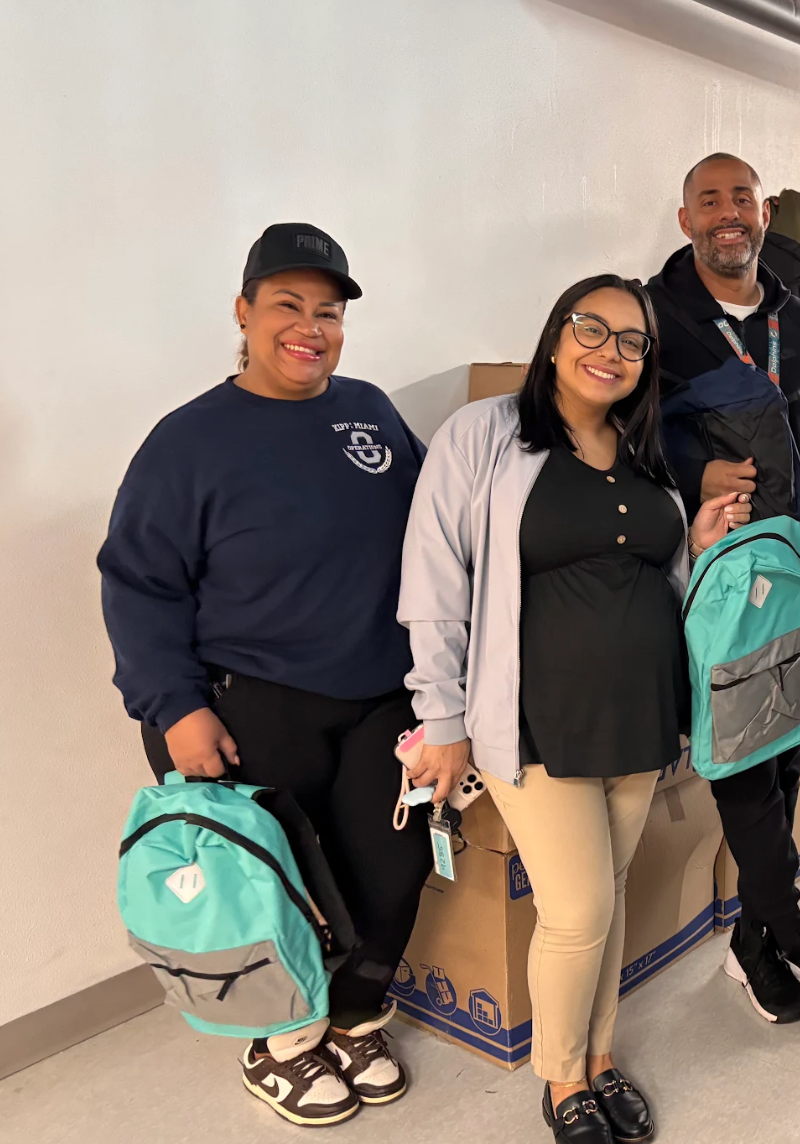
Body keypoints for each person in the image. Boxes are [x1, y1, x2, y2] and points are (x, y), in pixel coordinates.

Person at [399, 274, 749, 1144]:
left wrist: (694, 544)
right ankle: (560, 1083)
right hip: (534, 721)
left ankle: (597, 1059)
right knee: (579, 910)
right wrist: (440, 718)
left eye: (633, 342)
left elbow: (652, 580)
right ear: (556, 336)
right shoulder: (485, 436)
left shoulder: (644, 453)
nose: (611, 351)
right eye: (593, 328)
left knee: (610, 891)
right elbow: (435, 580)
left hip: (638, 712)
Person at [98, 223, 432, 1127]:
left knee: (389, 868)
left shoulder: (367, 409)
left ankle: (357, 1015)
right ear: (244, 313)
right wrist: (175, 709)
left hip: (381, 698)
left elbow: (438, 532)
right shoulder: (190, 440)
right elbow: (138, 584)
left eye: (327, 312)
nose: (310, 328)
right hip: (248, 700)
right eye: (288, 306)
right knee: (270, 885)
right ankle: (280, 1043)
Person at [646, 152, 800, 1024]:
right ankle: (790, 929)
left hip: (791, 568)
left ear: (764, 212)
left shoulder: (796, 316)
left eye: (741, 199)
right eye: (708, 199)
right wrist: (696, 469)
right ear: (686, 220)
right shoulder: (654, 316)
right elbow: (624, 436)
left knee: (782, 751)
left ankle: (753, 944)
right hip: (710, 574)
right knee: (746, 755)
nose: (727, 214)